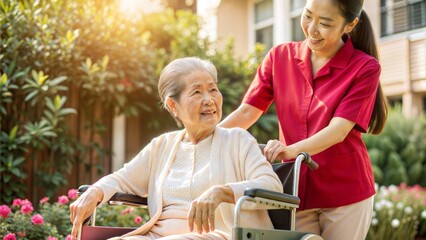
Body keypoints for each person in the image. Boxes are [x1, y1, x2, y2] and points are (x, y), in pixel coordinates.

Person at [219, 0, 388, 239]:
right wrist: (203, 138)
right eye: (308, 15)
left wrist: (289, 151)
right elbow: (248, 112)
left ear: (349, 25)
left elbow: (338, 130)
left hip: (346, 193)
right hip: (295, 192)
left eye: (325, 23)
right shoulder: (280, 57)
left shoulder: (365, 67)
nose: (312, 28)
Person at [69, 57, 283, 240]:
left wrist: (222, 192)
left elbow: (271, 185)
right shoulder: (162, 146)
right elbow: (122, 178)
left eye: (213, 89)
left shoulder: (238, 140)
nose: (209, 100)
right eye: (197, 92)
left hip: (220, 235)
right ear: (173, 106)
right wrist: (94, 192)